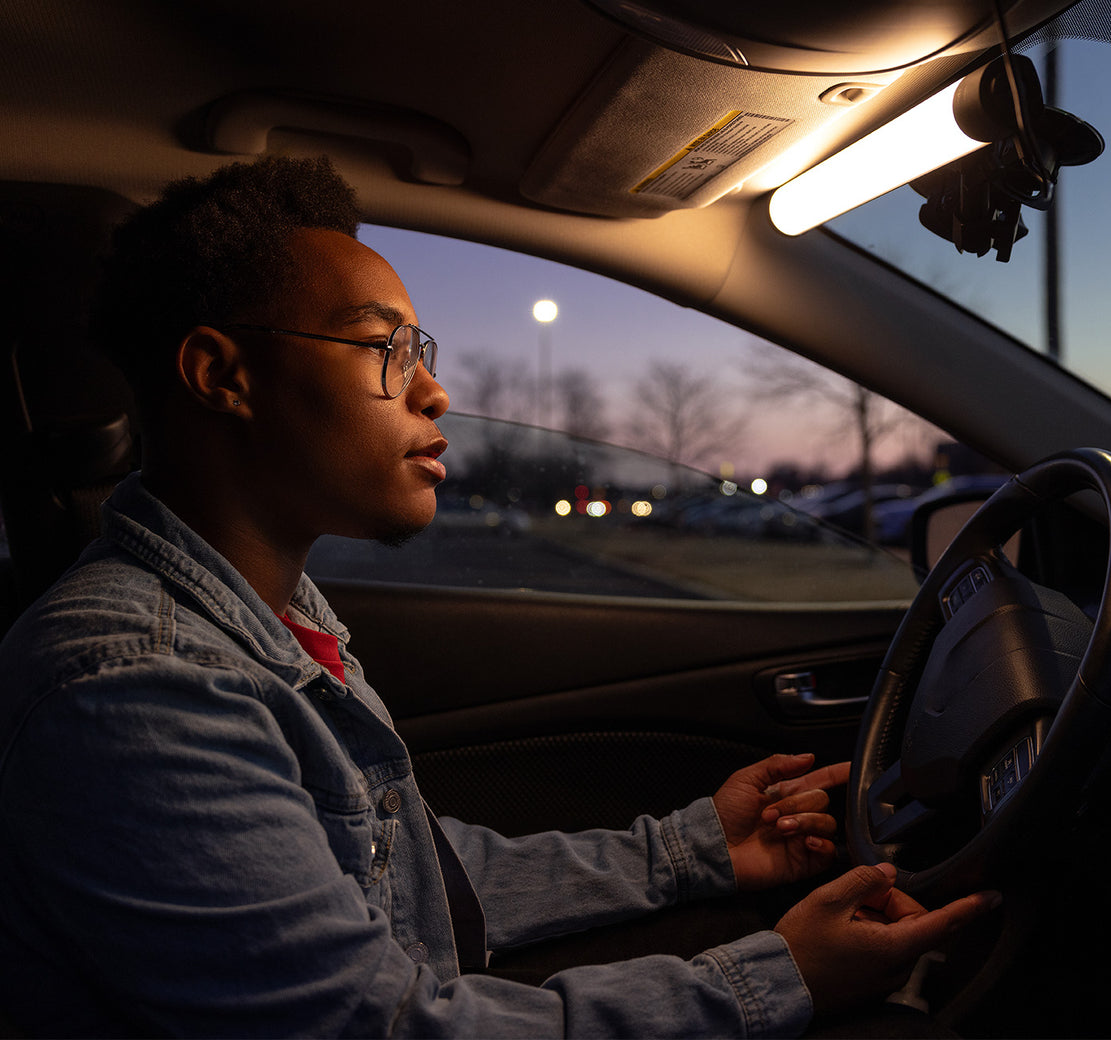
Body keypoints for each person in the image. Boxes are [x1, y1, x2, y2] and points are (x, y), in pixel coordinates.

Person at [0, 156, 997, 1037]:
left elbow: (407, 878)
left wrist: (690, 852)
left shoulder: (270, 616)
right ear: (223, 374)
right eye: (384, 347)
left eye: (424, 350)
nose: (432, 391)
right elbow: (376, 1024)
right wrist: (774, 980)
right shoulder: (134, 686)